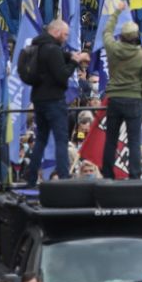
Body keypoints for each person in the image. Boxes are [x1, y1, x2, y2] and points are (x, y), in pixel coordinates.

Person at [24, 19, 89, 184]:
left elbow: (58, 57)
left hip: (38, 99)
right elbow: (62, 75)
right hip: (54, 100)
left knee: (41, 139)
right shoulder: (53, 50)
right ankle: (64, 177)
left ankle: (31, 177)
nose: (66, 38)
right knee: (61, 139)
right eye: (65, 34)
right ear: (56, 31)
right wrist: (74, 62)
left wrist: (73, 56)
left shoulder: (37, 46)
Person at [101, 0, 142, 178]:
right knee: (134, 140)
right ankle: (134, 175)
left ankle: (107, 174)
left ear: (121, 36)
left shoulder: (112, 48)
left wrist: (116, 12)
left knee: (111, 139)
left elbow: (106, 31)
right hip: (134, 99)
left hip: (114, 98)